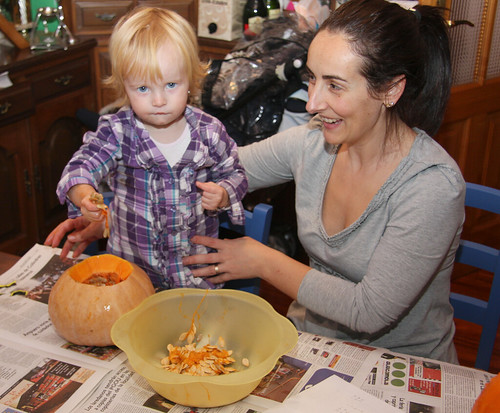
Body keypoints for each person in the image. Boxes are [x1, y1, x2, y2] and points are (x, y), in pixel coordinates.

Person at [46, 0, 465, 363]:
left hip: (399, 365)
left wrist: (260, 260)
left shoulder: (432, 187)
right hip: (309, 343)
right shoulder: (313, 143)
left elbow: (369, 311)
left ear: (391, 90)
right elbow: (189, 175)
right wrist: (115, 213)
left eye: (335, 86)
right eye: (312, 79)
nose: (314, 104)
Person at [45, 7, 248, 290]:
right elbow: (81, 166)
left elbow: (236, 172)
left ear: (190, 79)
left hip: (196, 279)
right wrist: (85, 195)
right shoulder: (116, 132)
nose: (159, 100)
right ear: (123, 86)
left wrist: (226, 193)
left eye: (171, 84)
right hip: (132, 279)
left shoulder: (210, 132)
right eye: (143, 88)